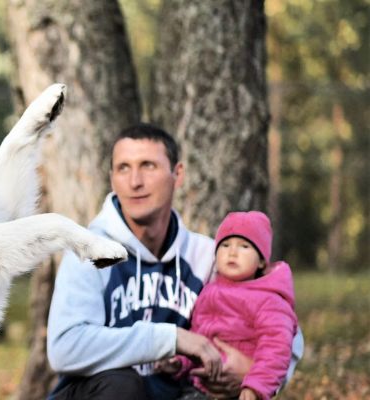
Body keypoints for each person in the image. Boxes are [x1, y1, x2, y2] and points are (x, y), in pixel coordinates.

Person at [45, 124, 303, 400]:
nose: (135, 181)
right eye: (123, 168)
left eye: (148, 166)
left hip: (176, 393)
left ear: (177, 174)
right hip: (101, 394)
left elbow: (286, 328)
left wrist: (254, 376)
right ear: (112, 179)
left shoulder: (205, 257)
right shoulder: (89, 253)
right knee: (122, 384)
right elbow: (65, 349)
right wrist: (171, 339)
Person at [156, 211, 298, 400]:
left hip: (240, 391)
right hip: (199, 387)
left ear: (262, 261)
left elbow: (276, 348)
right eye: (225, 245)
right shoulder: (209, 291)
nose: (232, 252)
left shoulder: (269, 300)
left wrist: (256, 386)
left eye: (244, 246)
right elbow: (199, 338)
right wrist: (180, 363)